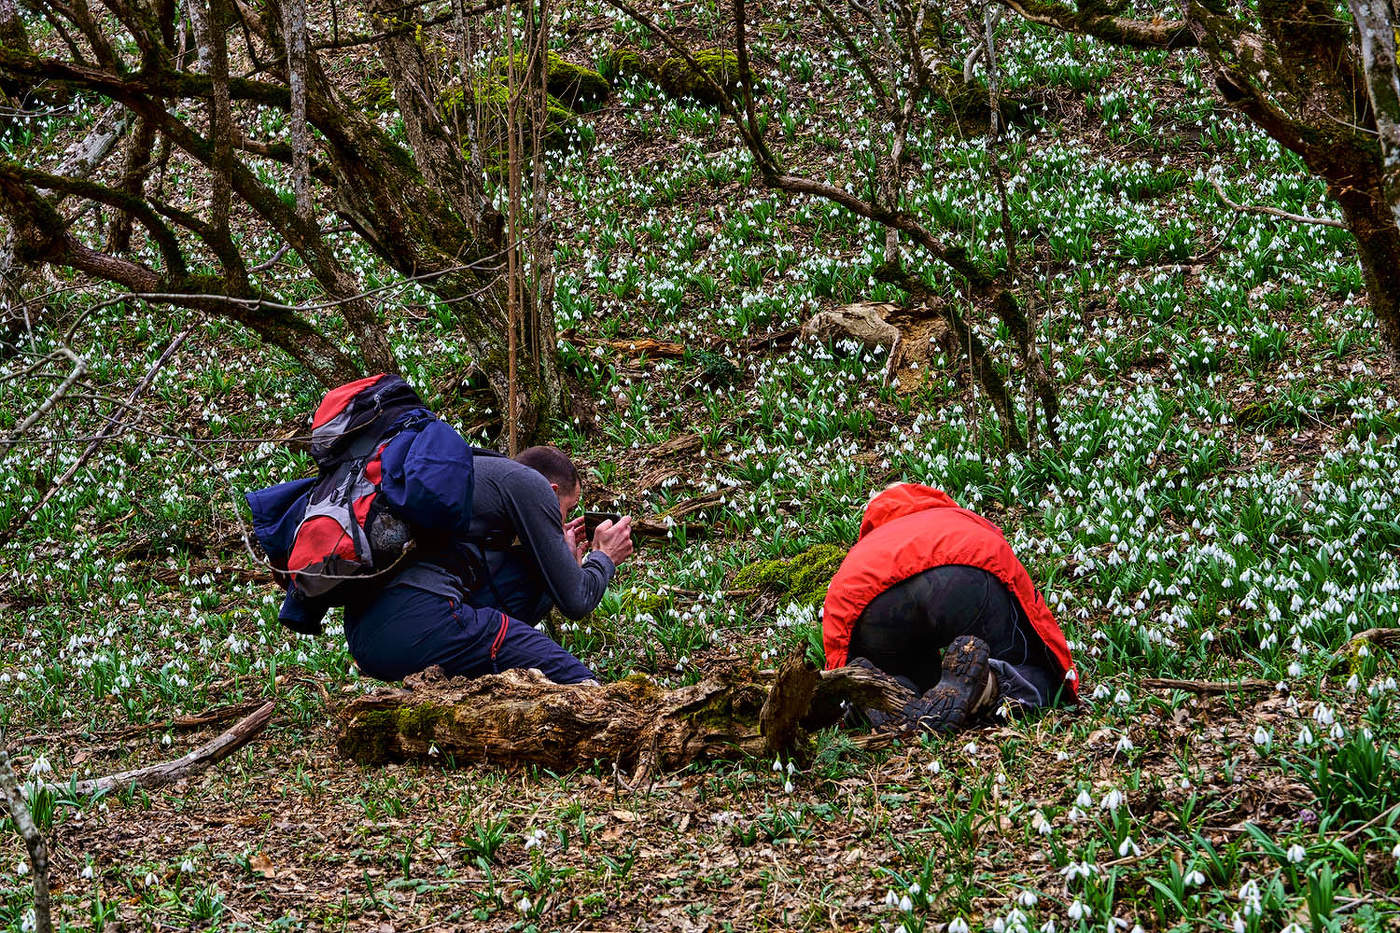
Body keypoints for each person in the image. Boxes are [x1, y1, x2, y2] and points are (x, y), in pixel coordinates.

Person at [341, 445, 633, 685]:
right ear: (551, 489)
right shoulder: (529, 483)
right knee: (578, 681)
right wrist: (604, 557)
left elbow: (524, 590)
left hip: (367, 635)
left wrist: (562, 563)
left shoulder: (474, 473)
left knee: (532, 576)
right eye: (568, 508)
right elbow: (578, 600)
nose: (564, 520)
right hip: (420, 616)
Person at [823, 483, 1079, 733]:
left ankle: (884, 693)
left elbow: (838, 625)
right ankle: (986, 684)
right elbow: (1020, 589)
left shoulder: (864, 550)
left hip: (874, 597)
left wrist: (844, 685)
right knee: (1031, 669)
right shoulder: (960, 519)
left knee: (895, 671)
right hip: (964, 572)